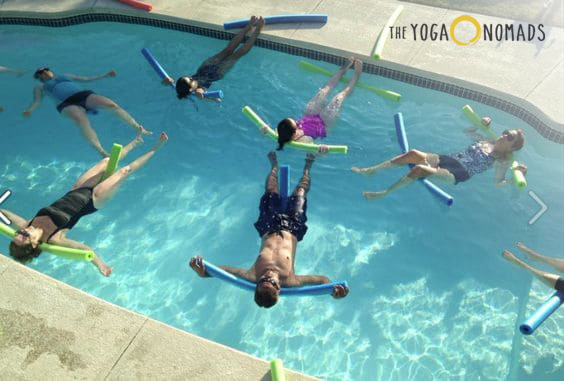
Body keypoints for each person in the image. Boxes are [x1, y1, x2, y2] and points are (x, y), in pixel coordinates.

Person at [189, 152, 349, 308]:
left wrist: (202, 272)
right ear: (279, 288)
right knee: (301, 191)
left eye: (262, 280)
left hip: (269, 224)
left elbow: (222, 271)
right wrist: (334, 292)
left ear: (256, 284)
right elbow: (322, 281)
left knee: (271, 189)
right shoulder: (291, 281)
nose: (267, 276)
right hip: (293, 227)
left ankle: (274, 167)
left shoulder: (252, 275)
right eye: (271, 281)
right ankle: (308, 167)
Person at [1, 132, 168, 277]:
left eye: (19, 233)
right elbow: (84, 249)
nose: (22, 231)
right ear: (35, 244)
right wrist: (100, 265)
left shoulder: (27, 224)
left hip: (77, 190)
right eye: (24, 236)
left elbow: (5, 213)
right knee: (125, 171)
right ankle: (156, 147)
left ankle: (136, 142)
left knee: (106, 162)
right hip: (93, 200)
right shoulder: (54, 239)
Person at [351, 118, 528, 200]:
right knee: (412, 154)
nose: (504, 135)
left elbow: (498, 183)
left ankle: (384, 194)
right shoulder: (486, 140)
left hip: (459, 173)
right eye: (506, 132)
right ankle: (370, 171)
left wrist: (516, 178)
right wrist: (480, 124)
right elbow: (467, 132)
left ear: (512, 147)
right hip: (449, 159)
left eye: (509, 137)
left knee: (419, 170)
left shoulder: (502, 160)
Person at [24, 67, 151, 157]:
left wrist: (104, 75)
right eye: (41, 73)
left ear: (50, 70)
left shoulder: (65, 75)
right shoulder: (40, 87)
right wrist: (29, 110)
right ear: (39, 77)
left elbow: (86, 79)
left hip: (83, 95)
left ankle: (139, 128)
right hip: (66, 104)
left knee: (111, 105)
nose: (45, 73)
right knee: (81, 119)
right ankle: (102, 152)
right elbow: (37, 101)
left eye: (46, 70)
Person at [271, 57, 362, 153]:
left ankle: (342, 71)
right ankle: (357, 75)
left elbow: (269, 134)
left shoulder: (279, 132)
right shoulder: (303, 142)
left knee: (323, 92)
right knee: (338, 98)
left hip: (309, 116)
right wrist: (323, 150)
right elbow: (315, 153)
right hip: (324, 124)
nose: (298, 124)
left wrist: (264, 130)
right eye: (296, 125)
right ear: (294, 135)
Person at [163, 16, 265, 99]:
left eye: (188, 77)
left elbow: (173, 87)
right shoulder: (198, 91)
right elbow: (217, 100)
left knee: (228, 50)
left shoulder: (181, 88)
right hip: (216, 74)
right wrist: (202, 95)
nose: (190, 77)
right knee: (239, 53)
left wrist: (167, 82)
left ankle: (248, 27)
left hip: (204, 68)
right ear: (191, 89)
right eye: (191, 80)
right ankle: (257, 30)